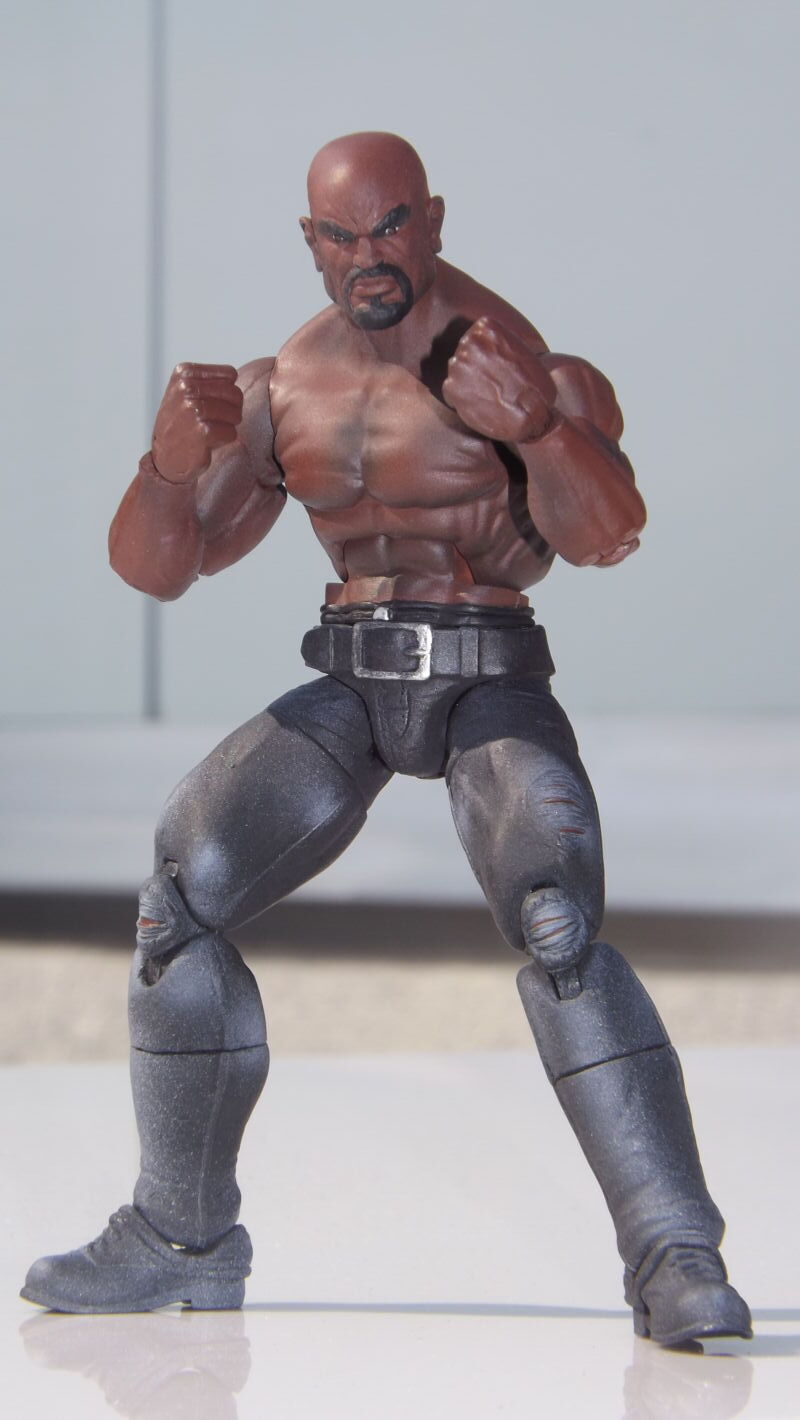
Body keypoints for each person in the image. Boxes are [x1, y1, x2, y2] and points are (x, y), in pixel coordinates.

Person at [22, 132, 751, 1345]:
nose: (369, 255)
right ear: (308, 242)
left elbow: (607, 535)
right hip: (353, 680)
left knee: (558, 921)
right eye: (341, 234)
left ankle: (675, 1253)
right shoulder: (282, 388)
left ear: (434, 219)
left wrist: (539, 431)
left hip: (486, 677)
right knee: (176, 901)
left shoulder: (525, 362)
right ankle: (179, 1236)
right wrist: (163, 466)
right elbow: (163, 568)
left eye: (391, 225)